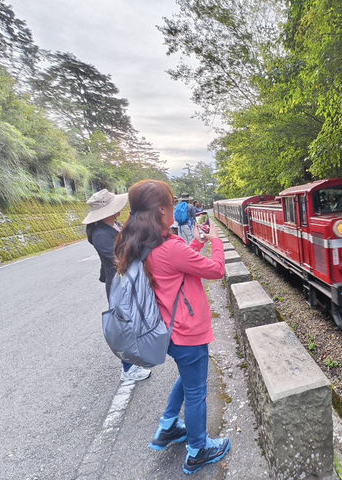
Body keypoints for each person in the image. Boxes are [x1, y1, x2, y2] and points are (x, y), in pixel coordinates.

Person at [113, 180, 230, 475]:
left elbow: (175, 268)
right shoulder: (168, 247)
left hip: (169, 330)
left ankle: (167, 426)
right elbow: (216, 270)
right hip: (188, 331)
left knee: (189, 378)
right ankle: (198, 450)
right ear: (162, 209)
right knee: (196, 391)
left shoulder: (143, 243)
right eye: (171, 203)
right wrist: (215, 240)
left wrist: (197, 243)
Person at [83, 189, 152, 382]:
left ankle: (134, 363)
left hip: (124, 281)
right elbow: (117, 259)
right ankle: (128, 369)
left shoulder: (112, 225)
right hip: (119, 285)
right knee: (124, 326)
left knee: (131, 323)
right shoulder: (100, 234)